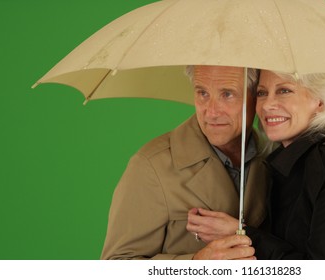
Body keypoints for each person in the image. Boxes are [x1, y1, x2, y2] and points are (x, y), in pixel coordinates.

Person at [186, 70, 325, 259]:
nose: (266, 105)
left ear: (320, 102)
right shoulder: (281, 163)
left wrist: (242, 233)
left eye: (284, 91)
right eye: (262, 93)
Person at [101, 65, 270, 260]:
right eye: (202, 93)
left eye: (227, 94)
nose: (212, 112)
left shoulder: (273, 156)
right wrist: (196, 264)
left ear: (257, 96)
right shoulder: (151, 165)